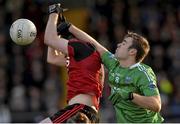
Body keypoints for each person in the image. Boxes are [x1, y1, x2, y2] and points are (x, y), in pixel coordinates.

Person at [55, 6, 164, 122]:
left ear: (132, 52)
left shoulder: (143, 73)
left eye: (124, 43)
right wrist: (69, 27)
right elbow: (95, 45)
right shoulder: (114, 63)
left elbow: (156, 104)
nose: (118, 45)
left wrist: (130, 96)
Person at [40, 4, 104, 123]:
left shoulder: (80, 47)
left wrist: (53, 13)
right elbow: (52, 58)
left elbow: (48, 39)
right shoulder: (88, 58)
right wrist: (56, 31)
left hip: (80, 110)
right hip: (87, 112)